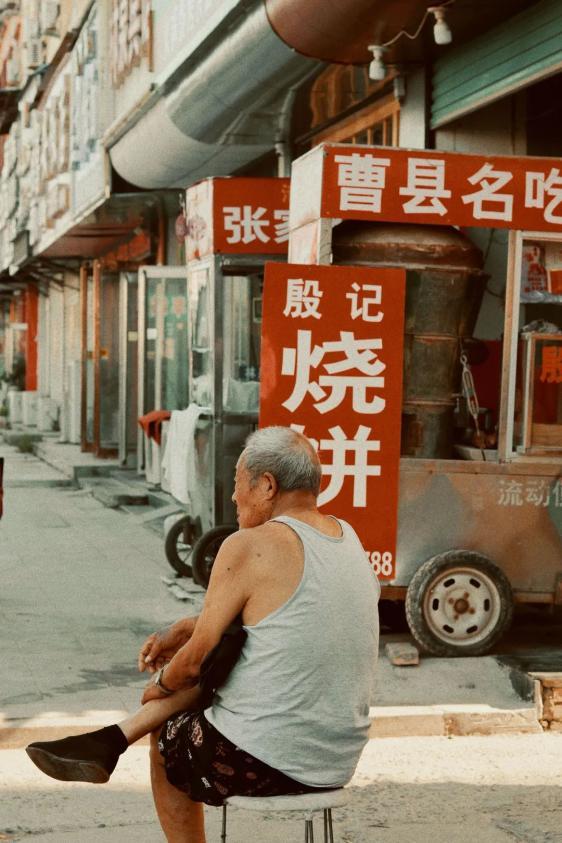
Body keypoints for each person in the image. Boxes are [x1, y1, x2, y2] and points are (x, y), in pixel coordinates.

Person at [26, 426, 380, 843]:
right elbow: (285, 617)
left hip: (269, 760)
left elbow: (193, 662)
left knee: (170, 735)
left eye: (238, 482)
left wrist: (159, 686)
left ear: (267, 485)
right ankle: (109, 740)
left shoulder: (249, 544)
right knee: (230, 657)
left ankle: (116, 738)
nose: (233, 497)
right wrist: (185, 626)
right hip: (337, 760)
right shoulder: (347, 537)